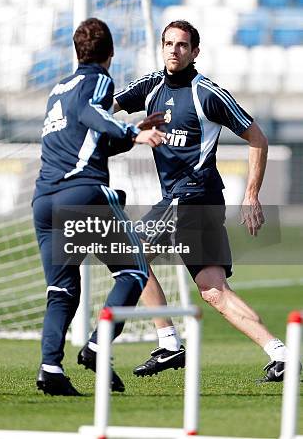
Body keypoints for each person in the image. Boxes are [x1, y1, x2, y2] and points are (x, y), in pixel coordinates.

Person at [114, 19, 289, 383]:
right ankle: (281, 354)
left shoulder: (207, 93)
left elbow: (257, 137)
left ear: (195, 51)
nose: (174, 50)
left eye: (182, 45)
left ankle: (167, 342)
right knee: (213, 289)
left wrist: (252, 194)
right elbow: (106, 106)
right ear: (162, 49)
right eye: (168, 44)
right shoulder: (150, 86)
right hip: (191, 203)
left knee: (131, 254)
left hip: (192, 197)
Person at [32, 17, 165, 396]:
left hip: (44, 200)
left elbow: (92, 138)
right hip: (82, 193)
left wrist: (132, 130)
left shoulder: (57, 90)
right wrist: (132, 132)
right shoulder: (99, 81)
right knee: (134, 273)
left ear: (77, 51)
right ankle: (96, 346)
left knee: (62, 289)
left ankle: (50, 368)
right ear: (110, 53)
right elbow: (94, 114)